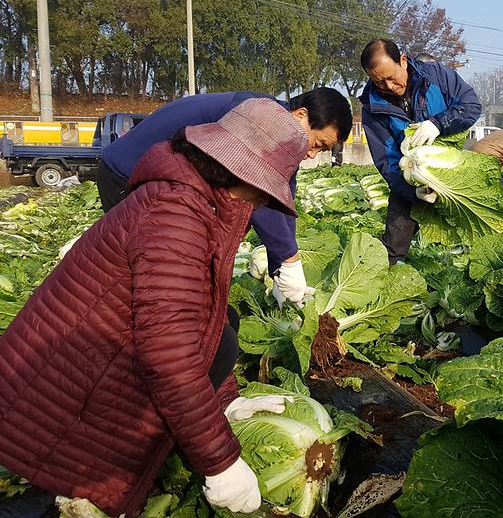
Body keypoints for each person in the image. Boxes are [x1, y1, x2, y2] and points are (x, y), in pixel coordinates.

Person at [0, 98, 313, 516]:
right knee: (41, 504)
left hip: (82, 366)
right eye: (263, 188)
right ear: (239, 170)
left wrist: (225, 401)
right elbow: (170, 355)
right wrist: (220, 462)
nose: (259, 202)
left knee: (225, 331)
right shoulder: (176, 215)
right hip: (63, 399)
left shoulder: (192, 199)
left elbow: (202, 324)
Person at [97, 88, 351, 308]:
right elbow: (253, 192)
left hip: (163, 178)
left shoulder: (280, 135)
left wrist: (279, 269)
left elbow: (281, 203)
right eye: (317, 143)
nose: (313, 155)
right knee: (154, 268)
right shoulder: (257, 118)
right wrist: (289, 260)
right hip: (127, 174)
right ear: (301, 115)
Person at [359, 39, 482, 263]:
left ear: (403, 61)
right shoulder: (372, 107)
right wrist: (411, 191)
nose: (388, 86)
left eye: (391, 77)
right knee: (394, 247)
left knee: (480, 222)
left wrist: (438, 124)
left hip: (453, 168)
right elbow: (386, 160)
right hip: (412, 179)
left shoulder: (436, 76)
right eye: (379, 81)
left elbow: (471, 105)